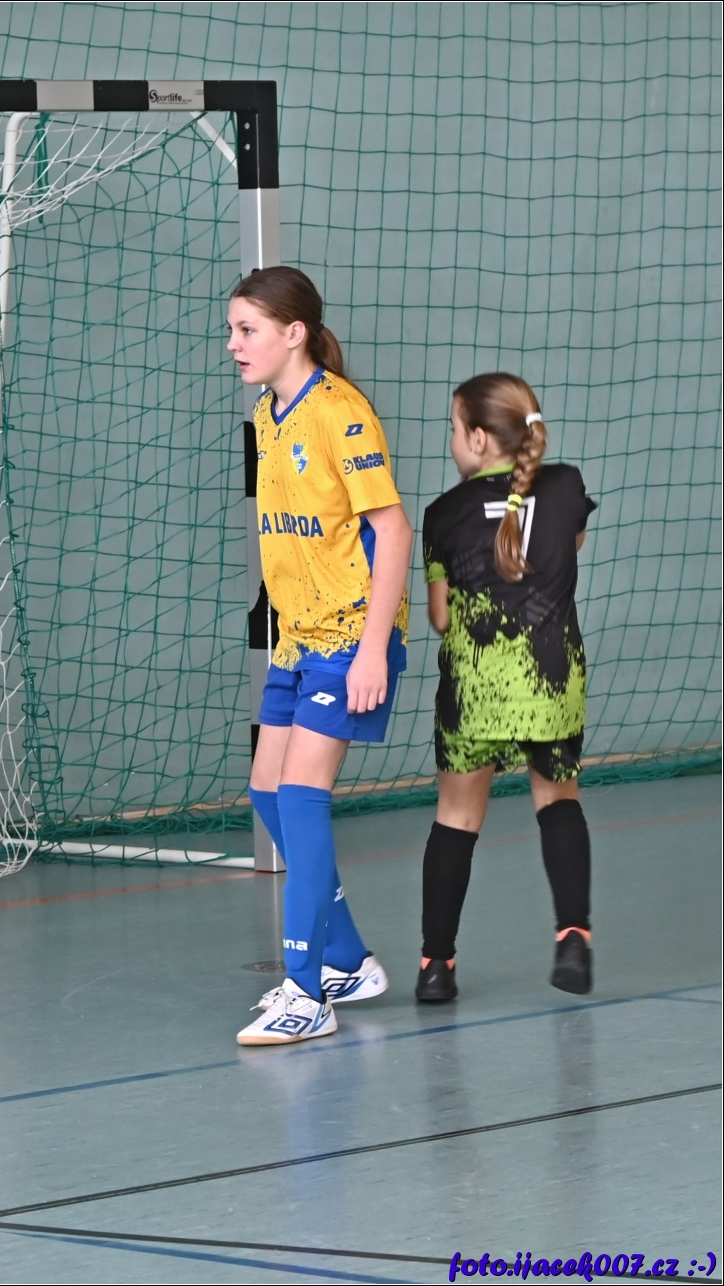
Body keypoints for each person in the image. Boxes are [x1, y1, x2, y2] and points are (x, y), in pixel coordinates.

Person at [227, 266, 409, 1046]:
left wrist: (373, 652)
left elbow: (394, 532)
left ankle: (307, 993)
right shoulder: (267, 415)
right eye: (233, 330)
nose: (234, 344)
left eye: (248, 330)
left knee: (302, 798)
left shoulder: (343, 413)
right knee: (268, 795)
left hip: (349, 638)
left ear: (293, 333)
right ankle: (348, 960)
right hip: (296, 638)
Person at [416, 373, 596, 1002]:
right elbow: (567, 547)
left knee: (457, 817)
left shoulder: (442, 514)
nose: (450, 441)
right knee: (558, 800)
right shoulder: (567, 486)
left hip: (475, 691)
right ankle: (573, 939)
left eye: (452, 428)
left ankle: (436, 967)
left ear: (477, 437)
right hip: (552, 680)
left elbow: (441, 617)